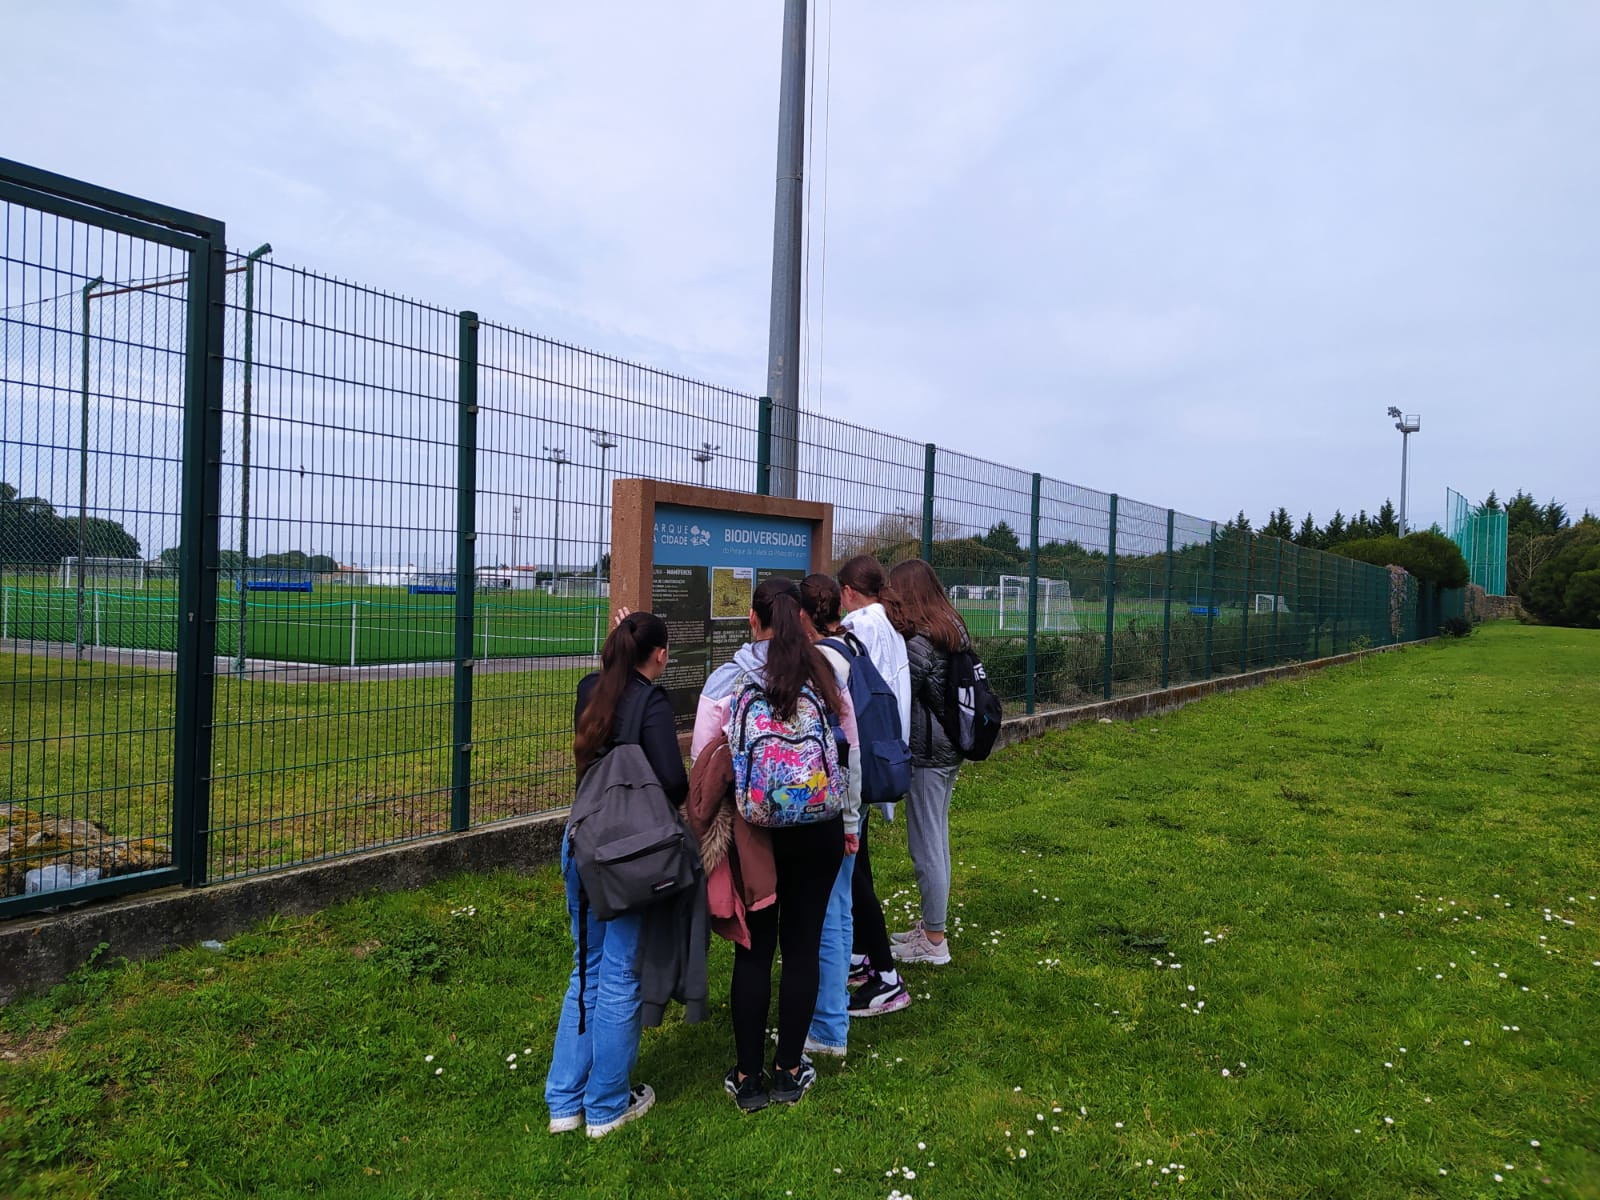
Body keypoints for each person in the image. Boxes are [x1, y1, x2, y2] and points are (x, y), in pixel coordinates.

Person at [693, 577, 859, 1111]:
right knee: (803, 946)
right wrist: (850, 823)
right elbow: (847, 754)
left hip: (754, 834)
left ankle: (747, 1077)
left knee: (755, 950)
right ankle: (789, 1070)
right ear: (803, 618)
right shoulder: (827, 672)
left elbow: (705, 761)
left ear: (753, 619)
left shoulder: (727, 678)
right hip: (820, 826)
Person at [546, 611, 686, 1138]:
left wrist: (626, 632)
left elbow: (614, 671)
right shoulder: (652, 702)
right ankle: (606, 1105)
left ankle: (564, 1100)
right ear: (661, 655)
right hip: (628, 854)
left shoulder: (590, 690)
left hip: (581, 841)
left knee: (587, 968)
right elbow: (673, 781)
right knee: (623, 973)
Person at [827, 559, 913, 1017]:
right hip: (885, 752)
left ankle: (886, 976)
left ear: (847, 592)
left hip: (858, 760)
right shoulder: (889, 624)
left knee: (854, 868)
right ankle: (863, 954)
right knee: (859, 860)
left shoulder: (858, 625)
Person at [885, 558, 967, 967]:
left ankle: (934, 940)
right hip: (949, 750)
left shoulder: (921, 642)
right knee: (938, 839)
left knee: (925, 846)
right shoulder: (951, 627)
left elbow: (899, 689)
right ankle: (931, 926)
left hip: (929, 755)